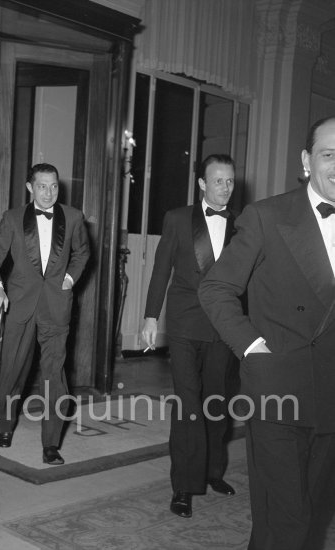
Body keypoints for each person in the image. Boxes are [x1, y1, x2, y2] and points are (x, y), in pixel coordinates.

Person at [198, 117, 335, 549]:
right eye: (330, 154)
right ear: (306, 161)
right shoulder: (268, 216)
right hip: (279, 389)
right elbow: (216, 287)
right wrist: (253, 348)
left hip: (331, 392)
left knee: (308, 517)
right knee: (288, 517)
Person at [141, 154, 238, 518]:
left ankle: (213, 472)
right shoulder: (178, 219)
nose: (225, 188)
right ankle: (184, 484)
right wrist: (151, 317)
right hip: (183, 324)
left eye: (229, 182)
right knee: (188, 404)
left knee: (218, 403)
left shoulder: (241, 223)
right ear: (201, 183)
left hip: (224, 327)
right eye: (217, 181)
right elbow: (161, 268)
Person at [0, 163, 90, 465]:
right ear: (30, 187)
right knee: (12, 370)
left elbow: (82, 253)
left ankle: (51, 443)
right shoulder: (13, 219)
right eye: (42, 186)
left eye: (54, 186)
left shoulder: (73, 217)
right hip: (18, 304)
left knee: (55, 375)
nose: (49, 192)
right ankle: (4, 425)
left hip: (56, 306)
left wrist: (69, 279)